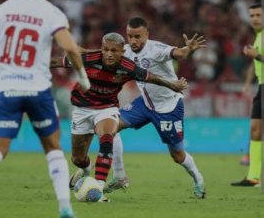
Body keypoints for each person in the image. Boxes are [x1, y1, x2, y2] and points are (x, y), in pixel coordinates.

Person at [0, 0, 91, 218]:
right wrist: (82, 75)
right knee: (53, 146)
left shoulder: (2, 10)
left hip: (6, 88)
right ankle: (65, 207)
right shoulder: (52, 13)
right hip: (38, 89)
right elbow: (69, 47)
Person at [51, 32, 188, 202]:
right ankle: (86, 171)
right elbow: (58, 62)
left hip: (107, 108)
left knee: (108, 136)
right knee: (78, 159)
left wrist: (172, 84)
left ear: (122, 51)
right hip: (82, 109)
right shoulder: (89, 58)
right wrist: (31, 67)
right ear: (101, 49)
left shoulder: (128, 67)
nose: (109, 54)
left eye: (114, 50)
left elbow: (151, 77)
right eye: (106, 49)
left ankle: (98, 189)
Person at [103, 17, 207, 199]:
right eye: (130, 36)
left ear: (146, 35)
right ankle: (119, 176)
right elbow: (103, 54)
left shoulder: (156, 49)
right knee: (109, 126)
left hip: (168, 108)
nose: (133, 41)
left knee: (177, 155)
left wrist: (188, 50)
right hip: (144, 103)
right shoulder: (125, 51)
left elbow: (179, 53)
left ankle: (198, 179)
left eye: (137, 37)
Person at [231, 3, 263, 187]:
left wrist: (257, 55)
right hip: (261, 86)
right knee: (255, 130)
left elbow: (258, 58)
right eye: (252, 15)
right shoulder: (259, 36)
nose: (255, 18)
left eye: (259, 15)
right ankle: (253, 177)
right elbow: (255, 63)